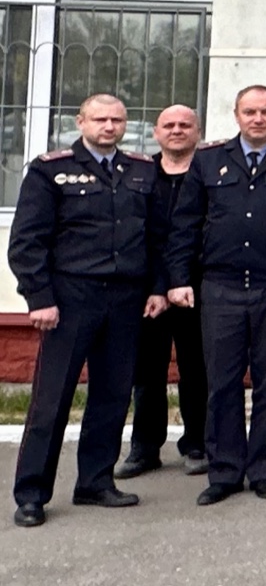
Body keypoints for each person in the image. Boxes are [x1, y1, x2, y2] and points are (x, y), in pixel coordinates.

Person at [10, 94, 170, 527]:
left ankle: (95, 482)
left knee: (112, 395)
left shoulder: (142, 170)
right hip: (70, 298)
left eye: (117, 119)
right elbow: (27, 241)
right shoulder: (50, 170)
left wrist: (158, 288)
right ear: (80, 122)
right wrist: (39, 297)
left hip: (126, 298)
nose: (109, 126)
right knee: (52, 399)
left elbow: (156, 238)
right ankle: (31, 494)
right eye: (100, 119)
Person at [167, 85, 266, 504]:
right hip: (220, 286)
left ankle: (262, 471)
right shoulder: (207, 160)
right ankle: (224, 472)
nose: (258, 119)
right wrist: (179, 278)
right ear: (236, 114)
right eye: (250, 112)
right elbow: (185, 225)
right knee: (221, 383)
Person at [120, 104, 208, 480]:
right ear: (155, 133)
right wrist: (160, 285)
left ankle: (197, 443)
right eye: (168, 125)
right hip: (149, 290)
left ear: (198, 132)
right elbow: (138, 234)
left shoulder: (210, 173)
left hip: (198, 288)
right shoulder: (139, 175)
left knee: (197, 370)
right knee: (147, 372)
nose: (176, 130)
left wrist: (183, 279)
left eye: (185, 125)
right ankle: (145, 448)